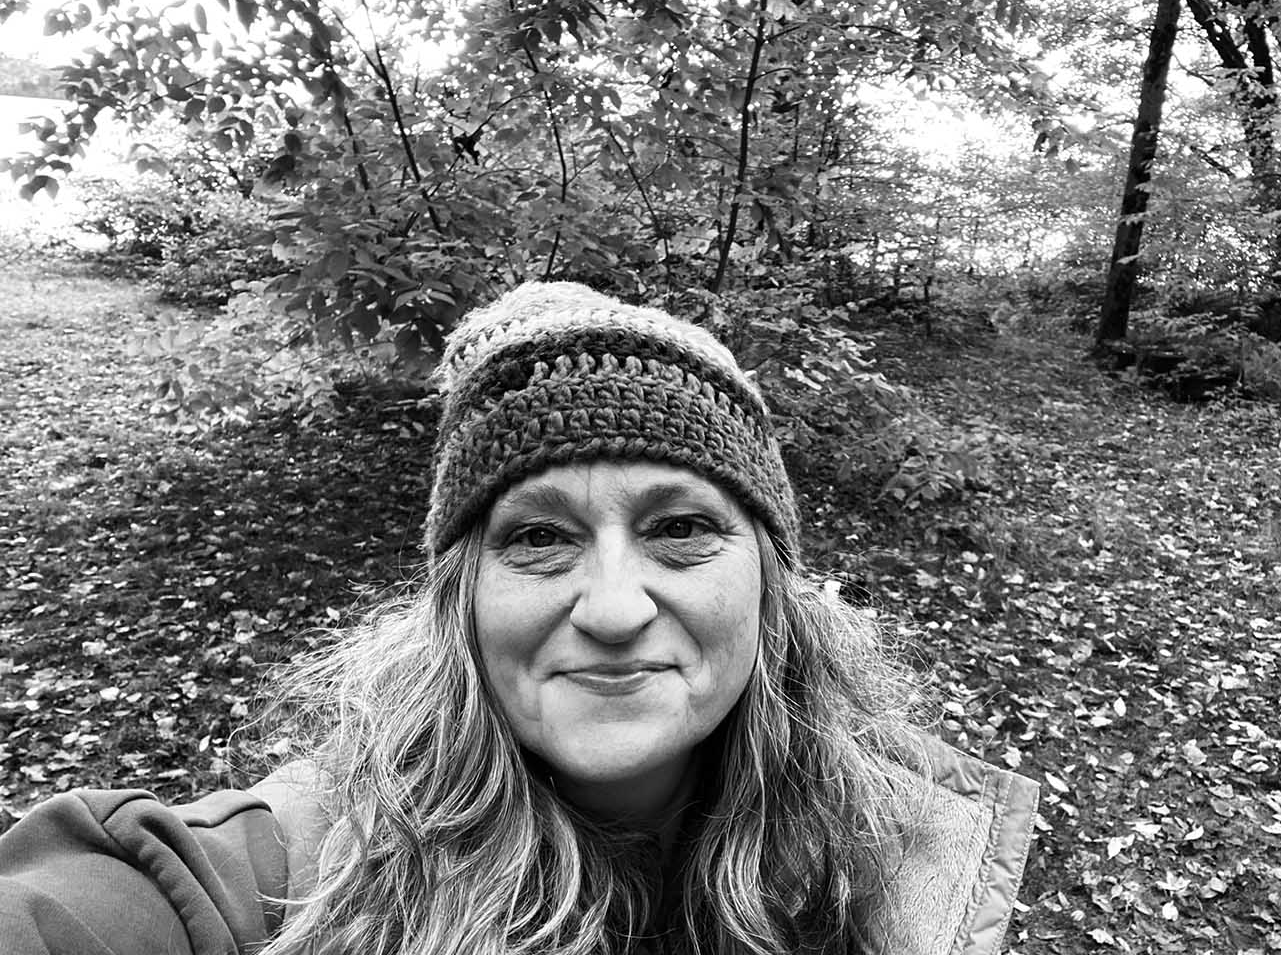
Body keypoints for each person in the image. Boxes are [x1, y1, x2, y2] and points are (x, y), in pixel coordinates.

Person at [0, 282, 1038, 954]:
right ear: (462, 597)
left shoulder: (893, 857)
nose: (617, 607)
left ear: (771, 582)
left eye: (681, 527)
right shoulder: (285, 879)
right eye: (538, 537)